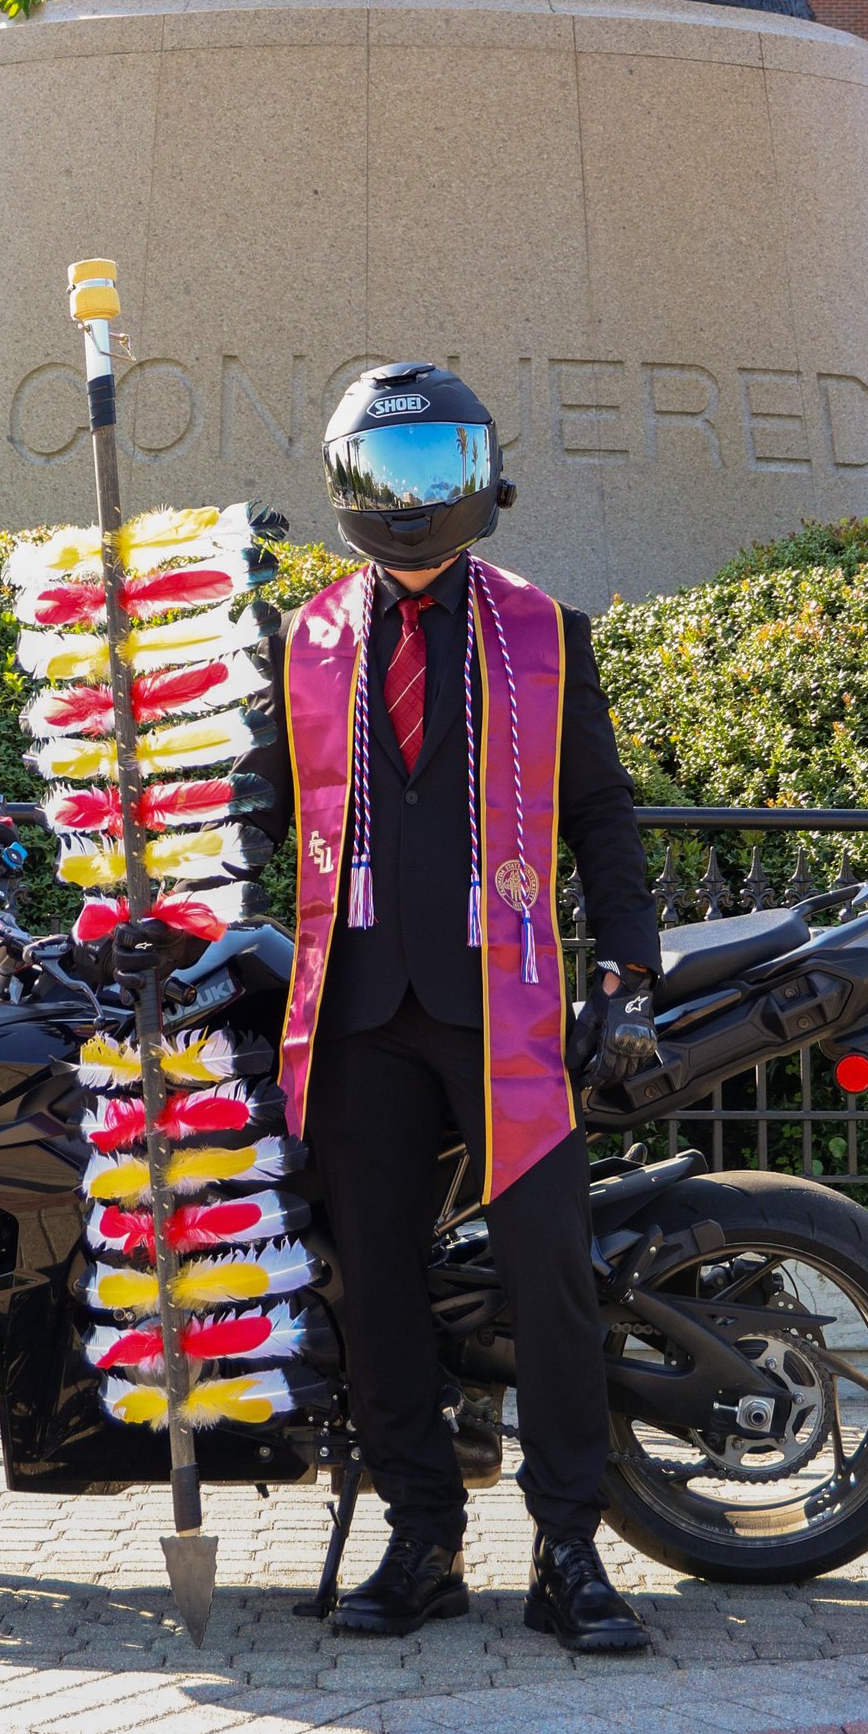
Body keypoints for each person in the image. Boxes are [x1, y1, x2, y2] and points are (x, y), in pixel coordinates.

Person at [264, 361, 667, 1652]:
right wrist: (167, 878)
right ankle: (422, 1536)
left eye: (436, 469)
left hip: (507, 1001)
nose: (410, 499)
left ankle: (567, 1549)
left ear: (483, 479)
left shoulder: (547, 630)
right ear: (342, 487)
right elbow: (262, 808)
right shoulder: (309, 639)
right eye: (384, 472)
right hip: (361, 1004)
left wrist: (628, 966)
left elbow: (602, 810)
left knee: (546, 1275)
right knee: (372, 1283)